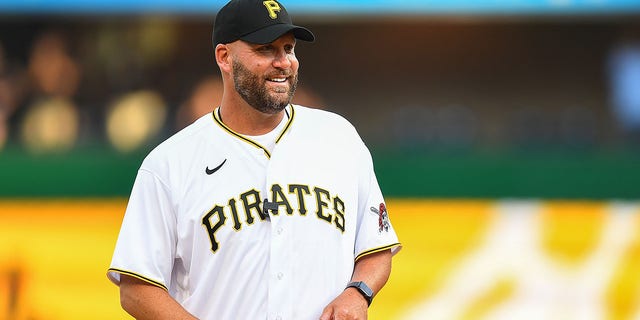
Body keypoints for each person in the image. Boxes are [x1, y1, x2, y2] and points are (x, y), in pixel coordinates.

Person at [107, 0, 401, 319]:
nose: (283, 62)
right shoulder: (170, 162)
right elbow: (136, 289)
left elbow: (376, 246)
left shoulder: (339, 138)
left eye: (288, 49)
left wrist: (357, 293)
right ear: (225, 57)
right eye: (266, 49)